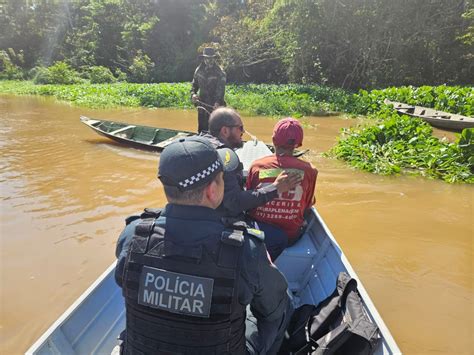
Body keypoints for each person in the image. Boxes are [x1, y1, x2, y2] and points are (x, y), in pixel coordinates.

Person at [115, 136, 293, 354]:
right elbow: (273, 310)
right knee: (284, 305)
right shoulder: (246, 248)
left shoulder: (133, 234)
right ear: (212, 190)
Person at [200, 107, 302, 259]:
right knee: (278, 238)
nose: (243, 132)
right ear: (225, 131)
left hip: (201, 217)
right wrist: (275, 188)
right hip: (219, 222)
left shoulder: (201, 144)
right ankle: (249, 271)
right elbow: (233, 203)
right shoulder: (226, 156)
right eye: (240, 128)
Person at [246, 117, 318, 251]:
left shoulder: (257, 166)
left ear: (273, 140)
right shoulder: (310, 171)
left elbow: (249, 200)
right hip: (290, 237)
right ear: (298, 144)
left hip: (258, 233)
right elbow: (308, 205)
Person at [191, 47, 226, 133]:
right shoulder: (199, 70)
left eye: (210, 58)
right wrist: (193, 94)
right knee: (202, 130)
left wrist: (217, 102)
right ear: (203, 58)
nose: (208, 60)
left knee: (215, 131)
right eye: (206, 58)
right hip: (202, 105)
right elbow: (194, 84)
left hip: (215, 106)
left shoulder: (220, 72)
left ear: (214, 58)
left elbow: (221, 90)